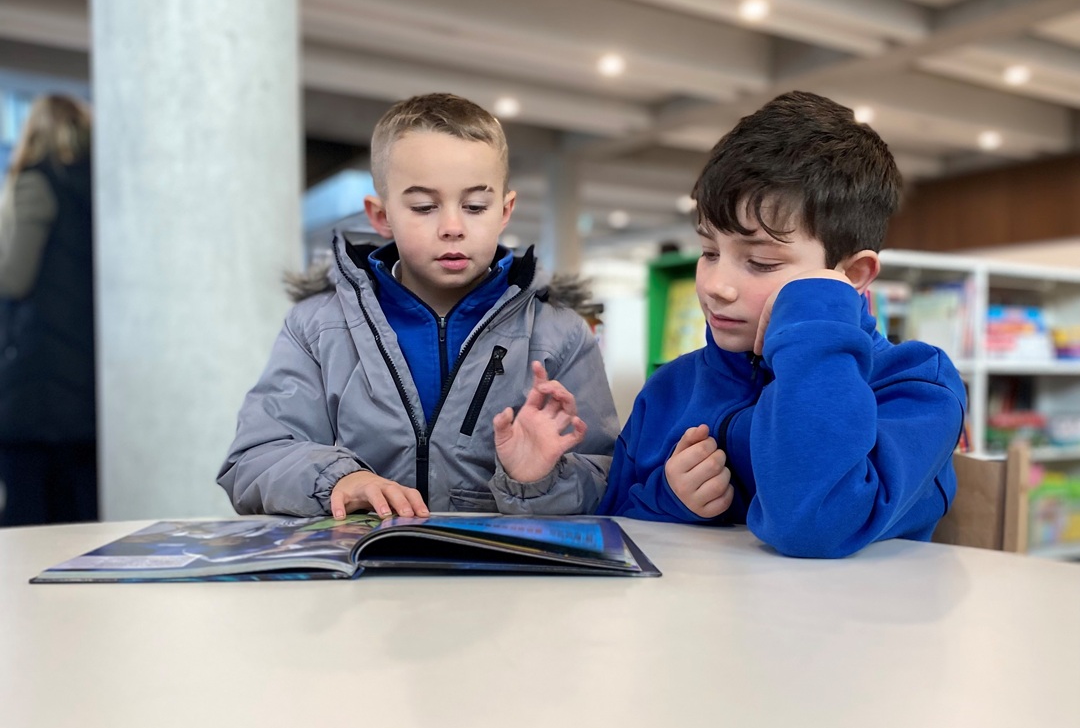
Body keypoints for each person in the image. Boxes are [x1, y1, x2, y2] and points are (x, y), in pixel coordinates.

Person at [597, 91, 967, 559]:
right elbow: (609, 522)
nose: (717, 285)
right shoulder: (672, 388)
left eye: (761, 261)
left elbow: (814, 525)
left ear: (851, 276)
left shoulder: (914, 387)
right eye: (709, 252)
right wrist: (667, 500)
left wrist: (815, 315)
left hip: (854, 627)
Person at [218, 93, 619, 518]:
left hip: (501, 580)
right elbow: (253, 460)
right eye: (424, 207)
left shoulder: (561, 334)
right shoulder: (317, 327)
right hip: (362, 577)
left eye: (475, 207)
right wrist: (339, 479)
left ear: (505, 210)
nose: (452, 227)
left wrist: (538, 480)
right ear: (380, 215)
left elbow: (607, 474)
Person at [0, 94, 97, 526]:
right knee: (81, 522)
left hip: (38, 385)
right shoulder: (102, 192)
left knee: (28, 525)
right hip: (91, 388)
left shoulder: (36, 182)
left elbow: (15, 278)